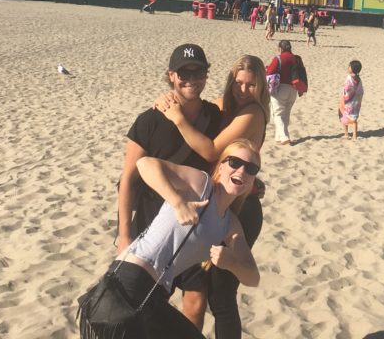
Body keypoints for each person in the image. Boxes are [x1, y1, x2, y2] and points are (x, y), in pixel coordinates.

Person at [153, 55, 269, 338]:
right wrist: (167, 101)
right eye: (238, 83)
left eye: (250, 85)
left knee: (222, 293)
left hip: (242, 207)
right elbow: (197, 105)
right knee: (208, 286)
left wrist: (178, 119)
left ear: (261, 87)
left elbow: (213, 152)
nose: (243, 90)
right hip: (220, 200)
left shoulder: (252, 113)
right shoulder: (225, 105)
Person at [116, 44, 223, 327]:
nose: (192, 79)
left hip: (194, 229)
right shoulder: (149, 120)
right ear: (171, 76)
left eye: (198, 71)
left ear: (206, 74)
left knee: (196, 303)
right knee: (144, 307)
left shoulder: (214, 117)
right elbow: (128, 179)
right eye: (184, 73)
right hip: (152, 225)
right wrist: (124, 235)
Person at [108, 141, 262, 337]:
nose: (242, 170)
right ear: (221, 166)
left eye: (251, 168)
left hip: (154, 294)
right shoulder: (202, 184)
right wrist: (177, 201)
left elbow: (253, 277)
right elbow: (145, 164)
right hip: (127, 282)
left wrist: (232, 263)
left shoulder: (230, 224)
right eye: (234, 162)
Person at [265, 40, 298, 146]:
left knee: (277, 114)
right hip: (293, 89)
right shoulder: (296, 59)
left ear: (280, 48)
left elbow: (270, 71)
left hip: (281, 88)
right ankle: (279, 137)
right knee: (286, 113)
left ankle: (283, 136)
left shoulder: (279, 58)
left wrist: (266, 68)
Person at [338, 60, 364, 140]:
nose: (348, 67)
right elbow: (361, 90)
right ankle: (354, 136)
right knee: (354, 118)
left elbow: (346, 88)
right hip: (355, 102)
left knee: (343, 116)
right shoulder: (359, 79)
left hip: (347, 101)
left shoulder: (349, 78)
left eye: (349, 66)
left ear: (352, 69)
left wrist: (345, 95)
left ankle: (346, 134)